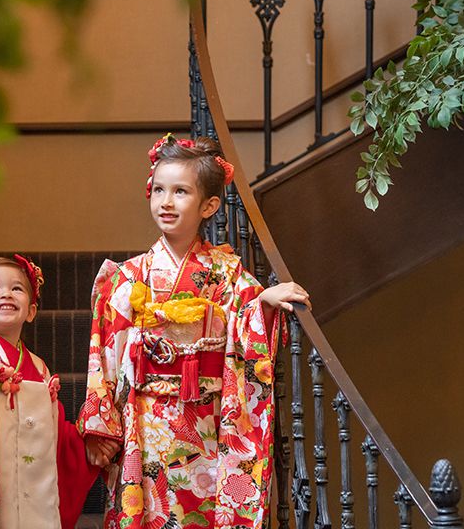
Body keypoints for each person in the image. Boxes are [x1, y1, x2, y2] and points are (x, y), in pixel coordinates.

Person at [78, 134, 310, 529]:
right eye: (159, 190)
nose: (166, 202)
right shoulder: (128, 277)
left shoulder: (227, 274)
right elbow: (105, 353)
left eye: (181, 191)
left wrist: (263, 304)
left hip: (208, 419)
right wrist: (102, 425)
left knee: (202, 507)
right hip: (145, 419)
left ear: (209, 205)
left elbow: (247, 321)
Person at [0, 236, 99, 529]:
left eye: (17, 288)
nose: (6, 294)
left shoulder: (38, 366)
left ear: (31, 311)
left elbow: (57, 435)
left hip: (38, 484)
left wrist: (89, 445)